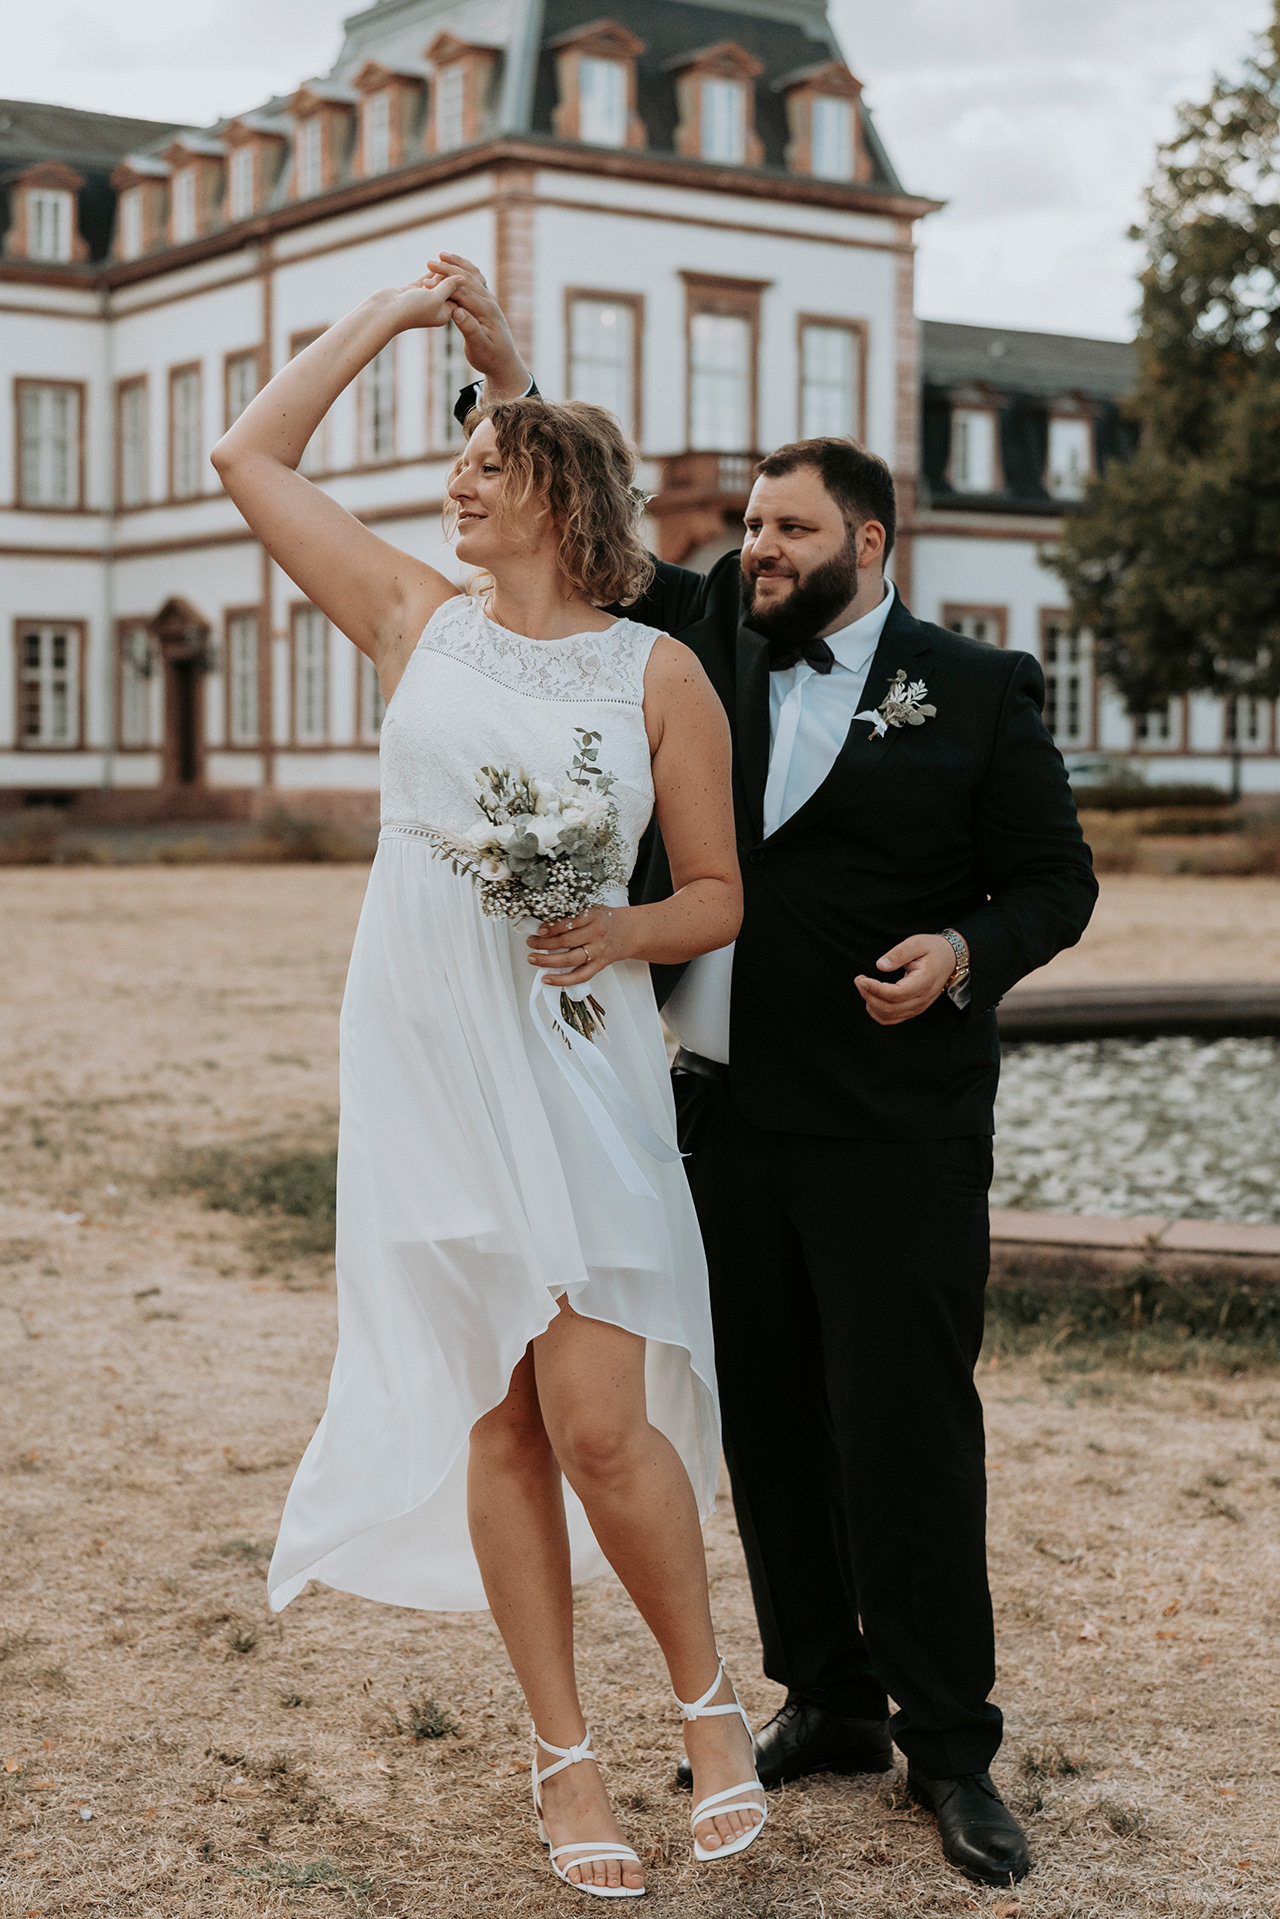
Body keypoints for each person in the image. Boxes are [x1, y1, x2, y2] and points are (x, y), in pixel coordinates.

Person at [438, 259, 1098, 1888]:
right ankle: (830, 1697)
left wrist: (967, 951)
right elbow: (594, 521)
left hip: (895, 1128)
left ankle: (954, 1751)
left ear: (870, 543)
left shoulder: (986, 690)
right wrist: (501, 363)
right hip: (718, 1120)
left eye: (790, 529)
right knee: (771, 1432)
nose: (759, 548)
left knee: (905, 1433)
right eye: (749, 524)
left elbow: (1054, 883)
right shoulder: (708, 631)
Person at [210, 270, 770, 1900]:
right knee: (500, 1415)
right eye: (452, 469)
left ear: (560, 496)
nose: (454, 484)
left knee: (599, 1421)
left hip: (581, 1059)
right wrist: (393, 320)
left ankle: (710, 1707)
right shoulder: (411, 619)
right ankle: (562, 1751)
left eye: (483, 467)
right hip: (429, 1056)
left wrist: (621, 927)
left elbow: (722, 899)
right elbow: (247, 457)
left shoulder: (656, 675)